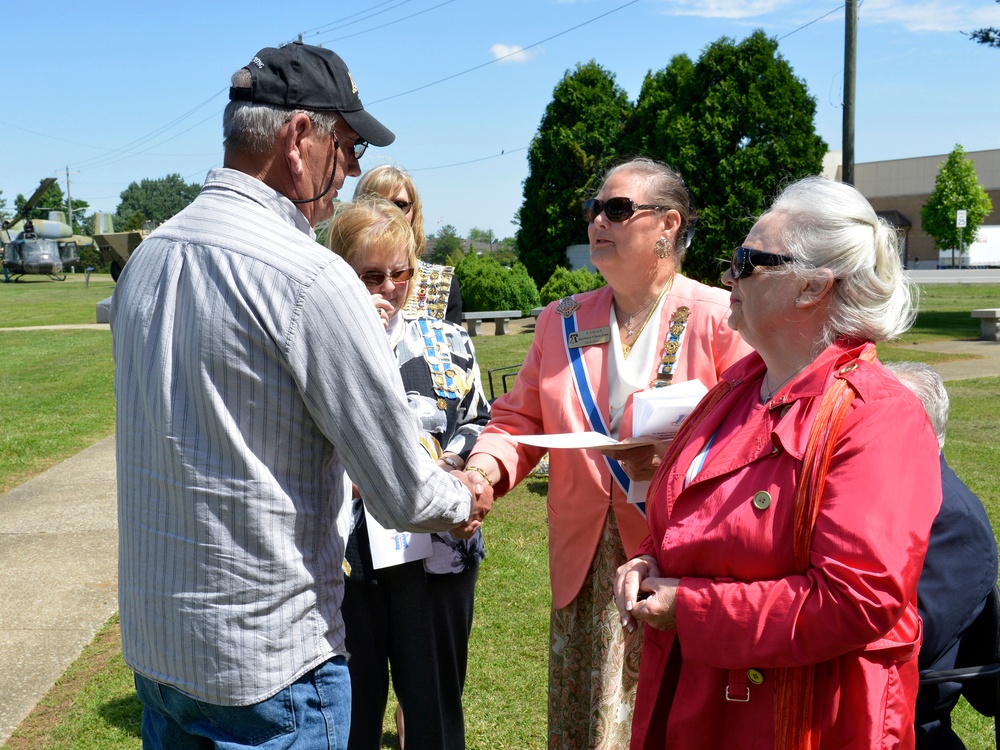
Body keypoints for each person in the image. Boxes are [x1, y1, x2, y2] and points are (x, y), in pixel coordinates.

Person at [109, 42, 491, 750]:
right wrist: (467, 496)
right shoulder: (310, 278)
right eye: (344, 149)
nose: (349, 174)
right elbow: (404, 494)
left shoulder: (149, 258)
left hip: (160, 653)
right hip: (268, 668)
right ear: (298, 139)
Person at [614, 176, 944, 749]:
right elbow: (688, 514)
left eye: (747, 261)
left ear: (812, 286)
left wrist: (691, 610)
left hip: (799, 720)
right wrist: (647, 562)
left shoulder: (878, 417)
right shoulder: (737, 388)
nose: (727, 276)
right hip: (696, 701)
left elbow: (854, 600)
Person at [464, 157, 751, 748]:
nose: (599, 219)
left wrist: (679, 462)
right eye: (595, 208)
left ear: (668, 225)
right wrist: (483, 469)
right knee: (585, 720)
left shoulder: (720, 317)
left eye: (618, 209)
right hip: (584, 562)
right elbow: (518, 417)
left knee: (668, 717)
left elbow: (753, 436)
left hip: (674, 561)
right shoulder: (561, 320)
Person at [327, 198, 491, 750]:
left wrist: (451, 464)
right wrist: (360, 340)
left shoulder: (447, 341)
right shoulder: (319, 342)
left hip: (436, 553)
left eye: (401, 273)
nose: (389, 288)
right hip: (346, 558)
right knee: (352, 715)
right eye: (372, 275)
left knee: (434, 714)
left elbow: (478, 419)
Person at [885, 361, 998, 750]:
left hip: (904, 723)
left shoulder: (952, 520)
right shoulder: (885, 495)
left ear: (922, 432)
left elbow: (915, 640)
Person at [353, 164, 463, 325]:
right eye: (377, 203)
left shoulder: (441, 283)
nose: (389, 213)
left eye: (399, 205)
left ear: (414, 211)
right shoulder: (339, 277)